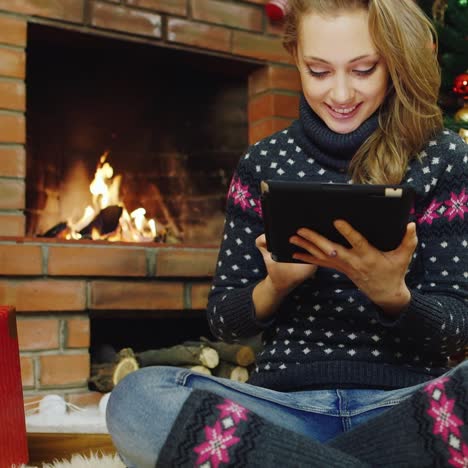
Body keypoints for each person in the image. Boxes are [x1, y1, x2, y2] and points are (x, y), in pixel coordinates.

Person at [106, 0, 468, 466]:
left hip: (406, 410)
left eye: (362, 70)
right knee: (136, 397)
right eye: (319, 71)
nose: (340, 93)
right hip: (284, 411)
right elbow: (224, 320)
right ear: (295, 56)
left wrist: (392, 294)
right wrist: (275, 285)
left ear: (394, 60)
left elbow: (456, 330)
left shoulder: (442, 158)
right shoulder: (263, 163)